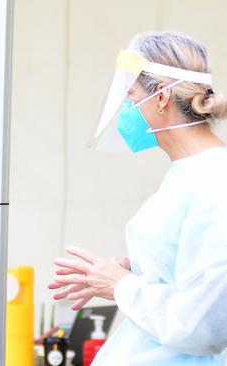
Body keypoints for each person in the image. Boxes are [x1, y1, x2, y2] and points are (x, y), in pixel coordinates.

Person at [48, 32, 227, 365]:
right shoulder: (189, 173)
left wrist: (121, 285)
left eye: (130, 97)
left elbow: (203, 327)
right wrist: (144, 272)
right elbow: (190, 276)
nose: (125, 110)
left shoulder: (215, 184)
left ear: (161, 97)